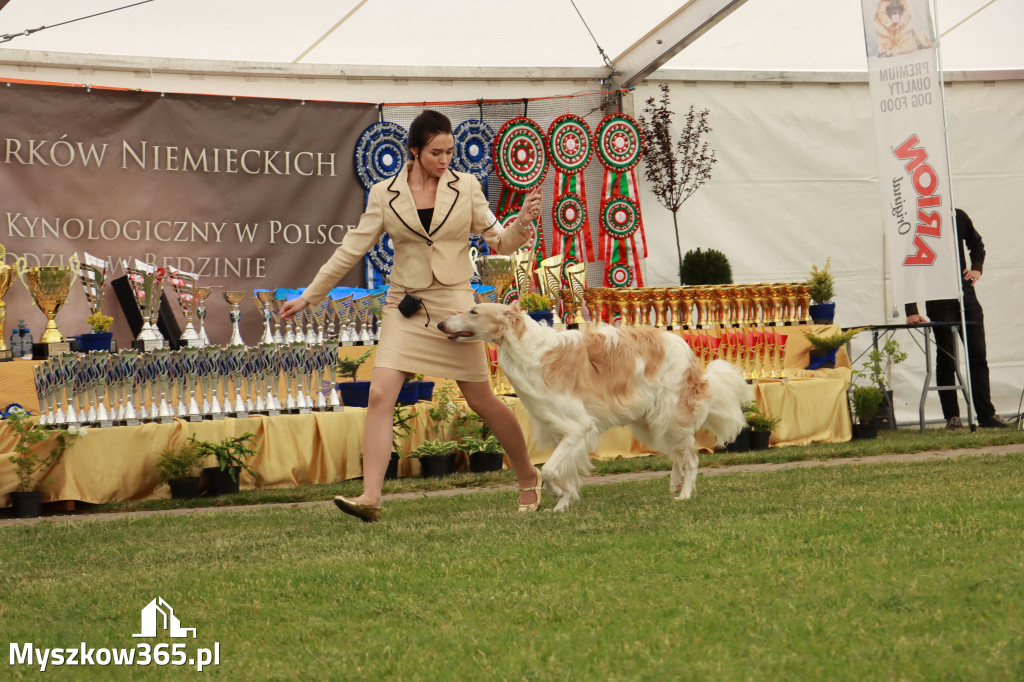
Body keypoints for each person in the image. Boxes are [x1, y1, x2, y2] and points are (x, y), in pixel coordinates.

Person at [280, 110, 545, 522]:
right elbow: (352, 248)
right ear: (414, 150)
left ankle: (528, 475)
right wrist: (310, 296)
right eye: (437, 152)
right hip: (405, 307)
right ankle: (371, 498)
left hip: (456, 309)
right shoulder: (384, 193)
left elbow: (502, 243)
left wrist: (522, 226)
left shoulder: (468, 187)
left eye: (451, 151)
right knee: (380, 395)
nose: (445, 160)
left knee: (482, 401)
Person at [905, 208, 1009, 429]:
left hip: (965, 294)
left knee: (978, 355)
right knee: (946, 356)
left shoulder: (957, 216)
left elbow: (977, 245)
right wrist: (911, 309)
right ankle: (952, 416)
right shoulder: (919, 220)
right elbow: (908, 265)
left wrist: (976, 270)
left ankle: (986, 415)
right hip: (938, 297)